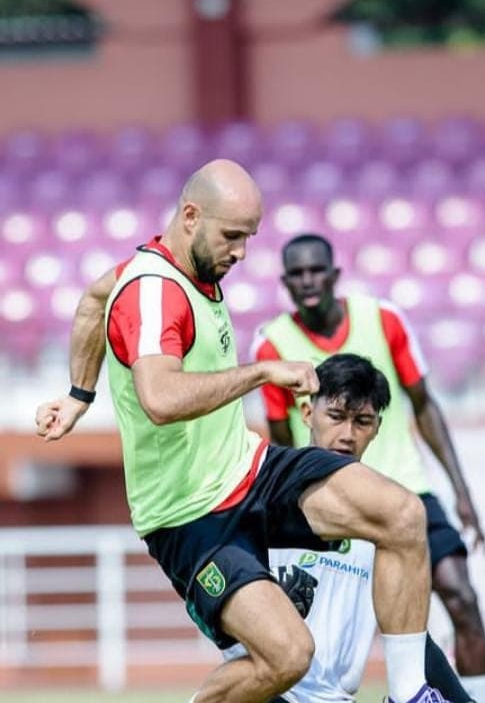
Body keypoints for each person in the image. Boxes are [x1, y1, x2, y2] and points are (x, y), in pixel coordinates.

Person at [35, 159, 455, 703]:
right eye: (232, 236)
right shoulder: (156, 292)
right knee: (288, 657)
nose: (241, 252)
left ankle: (409, 695)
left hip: (248, 470)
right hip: (190, 516)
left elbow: (95, 299)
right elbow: (160, 400)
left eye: (249, 237)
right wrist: (261, 372)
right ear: (190, 216)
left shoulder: (162, 269)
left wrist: (78, 395)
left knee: (401, 514)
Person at [252, 233, 485, 702]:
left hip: (405, 489)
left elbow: (423, 404)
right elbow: (280, 436)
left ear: (334, 274)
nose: (307, 280)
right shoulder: (271, 343)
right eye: (296, 273)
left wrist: (460, 492)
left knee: (459, 600)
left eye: (315, 270)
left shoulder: (383, 318)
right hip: (325, 496)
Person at [224, 352, 474, 703]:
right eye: (337, 417)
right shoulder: (260, 498)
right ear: (308, 413)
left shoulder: (386, 520)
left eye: (362, 422)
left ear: (377, 428)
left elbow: (410, 638)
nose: (347, 435)